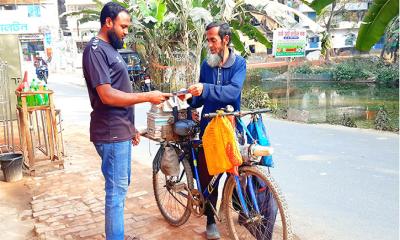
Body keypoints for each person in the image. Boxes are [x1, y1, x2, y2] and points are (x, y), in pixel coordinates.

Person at [82, 2, 171, 240]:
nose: (126, 32)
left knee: (120, 186)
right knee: (116, 191)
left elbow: (119, 92)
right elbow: (107, 95)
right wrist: (147, 97)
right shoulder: (96, 49)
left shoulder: (110, 49)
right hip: (109, 132)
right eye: (123, 26)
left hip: (119, 130)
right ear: (108, 22)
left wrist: (130, 127)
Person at [182, 21, 246, 240]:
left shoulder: (239, 64)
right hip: (209, 127)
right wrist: (191, 98)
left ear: (225, 40)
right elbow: (200, 98)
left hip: (230, 125)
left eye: (213, 40)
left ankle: (243, 211)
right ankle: (210, 219)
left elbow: (232, 92)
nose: (209, 45)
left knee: (238, 166)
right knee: (209, 175)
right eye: (208, 40)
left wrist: (205, 89)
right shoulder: (206, 65)